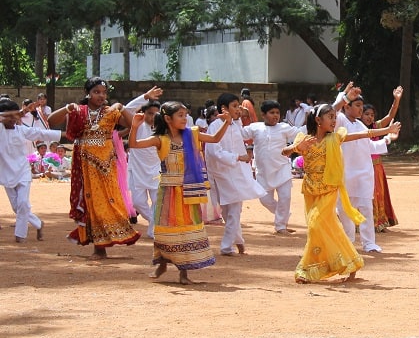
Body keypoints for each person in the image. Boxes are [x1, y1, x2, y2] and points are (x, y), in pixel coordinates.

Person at [46, 77, 162, 259]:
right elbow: (51, 121)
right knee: (90, 203)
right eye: (96, 92)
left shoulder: (110, 112)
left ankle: (103, 245)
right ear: (88, 93)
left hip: (105, 167)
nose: (100, 95)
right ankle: (99, 248)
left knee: (106, 202)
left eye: (103, 92)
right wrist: (67, 108)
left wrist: (122, 108)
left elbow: (134, 125)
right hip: (84, 166)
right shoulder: (79, 110)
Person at [289, 103, 398, 283]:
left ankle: (305, 269)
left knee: (316, 224)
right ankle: (347, 263)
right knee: (319, 229)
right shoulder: (303, 138)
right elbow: (285, 152)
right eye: (330, 117)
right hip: (310, 190)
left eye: (334, 117)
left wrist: (387, 130)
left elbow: (365, 134)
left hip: (329, 190)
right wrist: (297, 148)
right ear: (318, 120)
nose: (334, 121)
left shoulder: (336, 138)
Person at [129, 101, 232, 284]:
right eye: (181, 116)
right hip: (168, 192)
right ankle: (162, 261)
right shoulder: (161, 139)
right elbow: (134, 144)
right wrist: (135, 126)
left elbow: (215, 139)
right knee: (166, 230)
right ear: (168, 119)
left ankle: (184, 274)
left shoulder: (192, 135)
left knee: (188, 229)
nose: (185, 119)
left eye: (186, 115)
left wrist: (227, 121)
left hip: (188, 192)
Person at [333, 83, 400, 253]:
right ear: (347, 106)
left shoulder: (361, 125)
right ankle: (348, 241)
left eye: (362, 105)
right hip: (344, 174)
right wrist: (345, 96)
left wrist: (388, 139)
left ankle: (369, 243)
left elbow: (370, 146)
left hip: (364, 174)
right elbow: (332, 110)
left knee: (366, 209)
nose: (361, 109)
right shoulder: (339, 120)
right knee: (345, 210)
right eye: (357, 105)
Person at [205, 93, 267, 256]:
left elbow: (243, 135)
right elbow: (214, 152)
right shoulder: (215, 126)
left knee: (233, 211)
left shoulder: (235, 124)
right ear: (224, 109)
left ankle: (229, 245)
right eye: (234, 106)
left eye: (238, 105)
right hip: (222, 174)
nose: (238, 109)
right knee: (229, 212)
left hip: (236, 173)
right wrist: (238, 157)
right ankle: (237, 242)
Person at [0, 99, 60, 242]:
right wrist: (21, 112)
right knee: (17, 207)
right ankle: (38, 223)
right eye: (10, 117)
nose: (14, 120)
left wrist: (64, 134)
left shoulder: (21, 130)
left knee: (22, 204)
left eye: (16, 117)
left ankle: (20, 235)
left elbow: (41, 134)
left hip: (23, 172)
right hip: (6, 174)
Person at [243, 100, 302, 234]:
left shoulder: (284, 127)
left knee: (285, 197)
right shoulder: (255, 127)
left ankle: (281, 226)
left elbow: (300, 133)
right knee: (264, 200)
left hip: (282, 169)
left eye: (277, 113)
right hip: (263, 171)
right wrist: (236, 118)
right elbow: (238, 133)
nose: (275, 115)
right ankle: (283, 214)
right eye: (271, 113)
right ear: (263, 114)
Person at [360, 86, 403, 232]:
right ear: (360, 115)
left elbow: (390, 116)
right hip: (363, 166)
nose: (369, 117)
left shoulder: (376, 126)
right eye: (366, 114)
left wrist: (396, 100)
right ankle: (365, 223)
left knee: (379, 194)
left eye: (372, 115)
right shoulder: (357, 129)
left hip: (377, 167)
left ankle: (380, 222)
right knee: (366, 194)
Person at [127, 101, 161, 239]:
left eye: (155, 114)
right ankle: (153, 221)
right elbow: (126, 109)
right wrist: (145, 97)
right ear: (143, 113)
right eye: (149, 113)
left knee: (157, 202)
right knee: (137, 203)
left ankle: (154, 230)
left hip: (156, 170)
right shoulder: (137, 125)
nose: (152, 117)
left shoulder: (163, 128)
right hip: (137, 170)